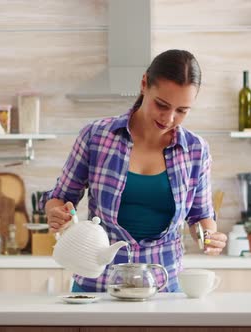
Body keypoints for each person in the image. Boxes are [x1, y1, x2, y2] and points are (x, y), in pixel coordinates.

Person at [40, 49, 228, 293]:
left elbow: (200, 217)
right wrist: (56, 213)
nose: (169, 118)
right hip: (98, 285)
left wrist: (209, 237)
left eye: (182, 110)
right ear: (143, 84)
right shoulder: (96, 136)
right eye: (161, 104)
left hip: (163, 286)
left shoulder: (195, 150)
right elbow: (61, 197)